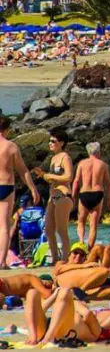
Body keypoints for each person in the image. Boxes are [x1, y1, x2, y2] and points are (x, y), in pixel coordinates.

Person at [0, 114, 39, 269]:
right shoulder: (10, 146)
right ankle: (2, 262)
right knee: (3, 226)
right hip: (5, 186)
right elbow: (23, 171)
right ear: (7, 130)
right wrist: (33, 189)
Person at [31, 127, 74, 264]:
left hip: (63, 197)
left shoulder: (65, 157)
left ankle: (66, 259)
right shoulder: (53, 158)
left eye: (53, 141)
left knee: (62, 230)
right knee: (49, 230)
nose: (50, 143)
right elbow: (53, 178)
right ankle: (55, 258)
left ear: (61, 143)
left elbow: (68, 177)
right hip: (53, 196)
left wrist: (49, 175)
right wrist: (43, 175)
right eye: (49, 141)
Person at [72, 141, 110, 249]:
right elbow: (108, 183)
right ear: (98, 151)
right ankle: (89, 250)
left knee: (81, 222)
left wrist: (72, 196)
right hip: (97, 194)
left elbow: (76, 181)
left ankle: (81, 243)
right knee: (93, 226)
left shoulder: (82, 163)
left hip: (84, 193)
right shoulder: (103, 164)